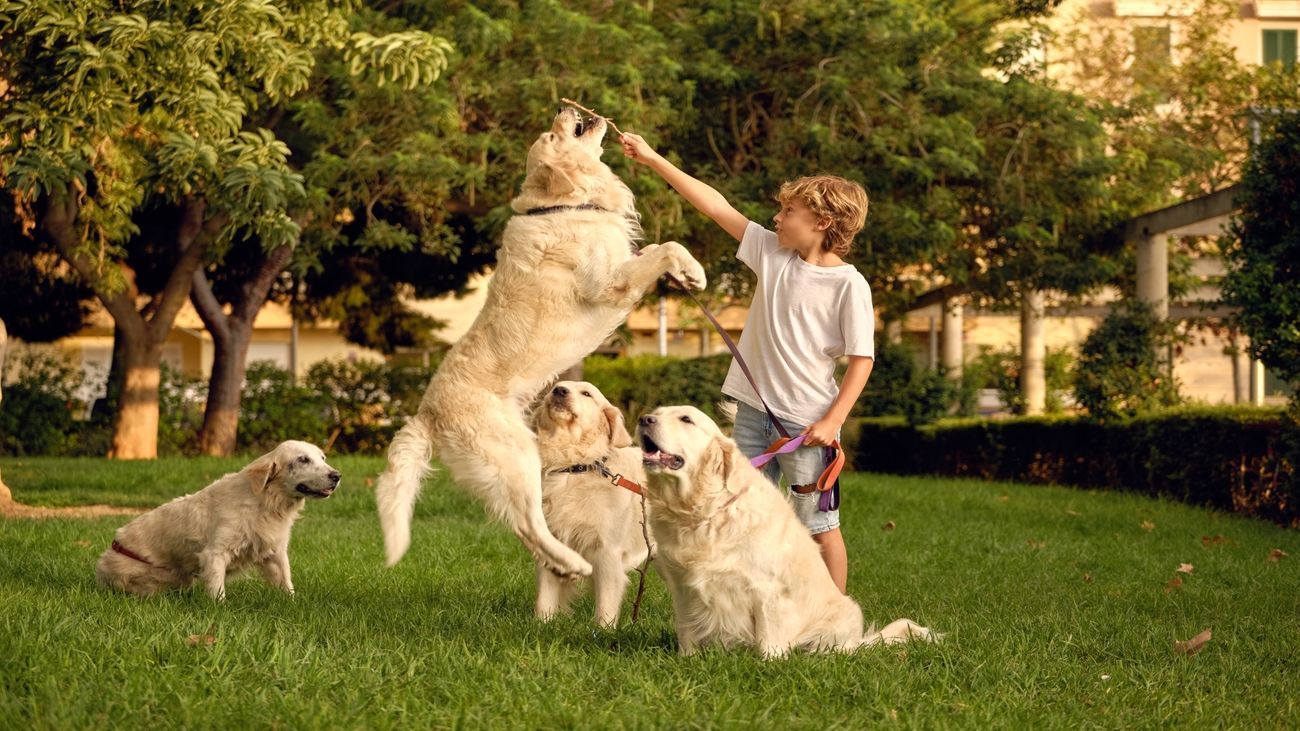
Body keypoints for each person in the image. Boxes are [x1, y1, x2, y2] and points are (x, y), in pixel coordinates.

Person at [621, 133, 875, 594]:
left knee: (818, 525)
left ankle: (837, 620)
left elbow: (862, 360)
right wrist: (652, 156)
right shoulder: (772, 253)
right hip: (753, 414)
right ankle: (743, 603)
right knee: (735, 511)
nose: (776, 218)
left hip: (805, 424)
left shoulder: (848, 285)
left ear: (821, 220)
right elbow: (717, 208)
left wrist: (832, 421)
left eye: (788, 212)